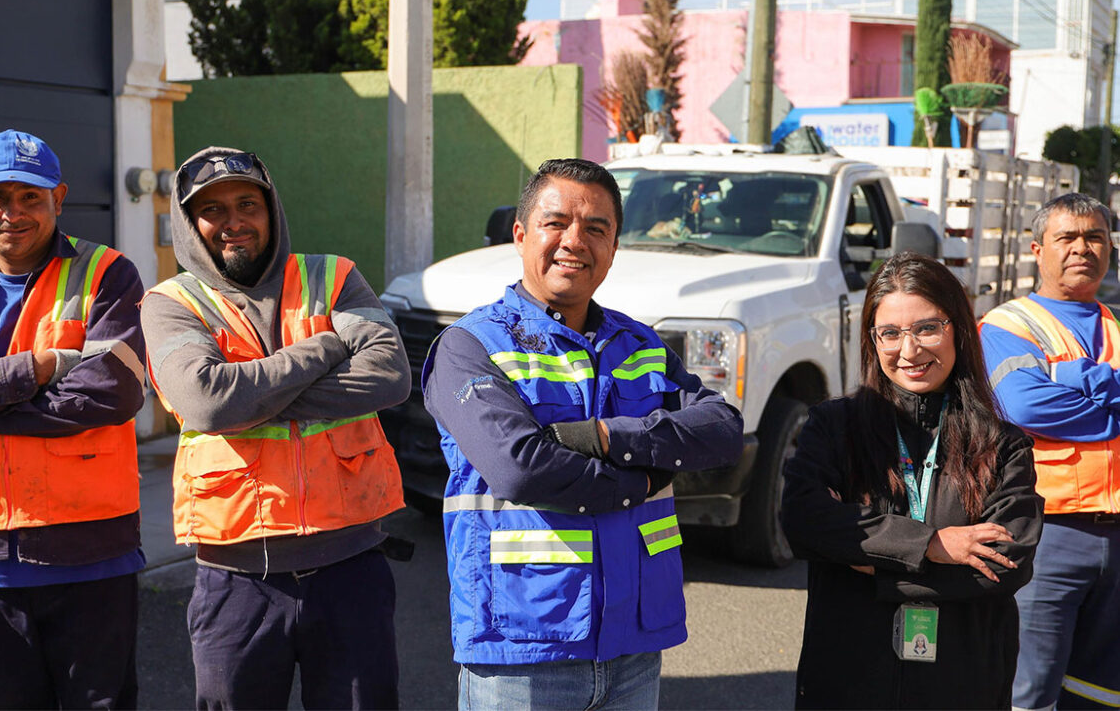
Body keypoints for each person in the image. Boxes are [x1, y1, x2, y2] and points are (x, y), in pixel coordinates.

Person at [421, 158, 743, 709]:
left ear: (614, 247)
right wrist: (641, 481)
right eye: (556, 223)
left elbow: (722, 430)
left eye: (596, 228)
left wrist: (603, 436)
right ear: (520, 235)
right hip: (522, 650)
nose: (575, 240)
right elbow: (518, 468)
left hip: (634, 645)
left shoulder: (639, 343)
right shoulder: (468, 346)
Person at [140, 147, 411, 709]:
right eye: (212, 210)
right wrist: (326, 347)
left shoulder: (333, 276)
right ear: (190, 224)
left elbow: (389, 376)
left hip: (350, 569)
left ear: (273, 211)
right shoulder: (171, 303)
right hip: (236, 582)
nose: (233, 221)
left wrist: (252, 397)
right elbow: (207, 402)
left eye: (248, 204)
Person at [782, 251, 1043, 709]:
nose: (909, 350)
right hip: (848, 681)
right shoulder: (833, 427)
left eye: (927, 328)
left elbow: (1004, 565)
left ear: (958, 328)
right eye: (891, 333)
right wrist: (930, 546)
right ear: (872, 339)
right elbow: (804, 519)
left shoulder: (1002, 444)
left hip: (964, 686)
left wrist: (871, 568)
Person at [0, 129, 146, 708]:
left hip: (92, 549)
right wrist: (37, 368)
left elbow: (112, 391)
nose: (15, 213)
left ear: (59, 197)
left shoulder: (108, 274)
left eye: (31, 197)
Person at [979, 192, 1120, 709]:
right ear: (1038, 250)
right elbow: (1025, 407)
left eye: (1095, 237)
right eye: (1067, 237)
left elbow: (1046, 400)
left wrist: (1072, 377)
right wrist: (1114, 409)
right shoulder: (1008, 325)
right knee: (1028, 692)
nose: (1082, 248)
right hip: (1047, 535)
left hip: (1117, 536)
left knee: (1102, 693)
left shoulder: (1115, 328)